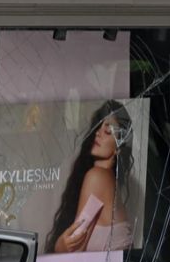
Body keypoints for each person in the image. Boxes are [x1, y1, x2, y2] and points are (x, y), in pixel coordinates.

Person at [46, 100, 134, 254]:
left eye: (108, 132)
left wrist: (59, 247)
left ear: (119, 148)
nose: (98, 133)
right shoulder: (108, 181)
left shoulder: (97, 177)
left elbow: (74, 249)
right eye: (98, 127)